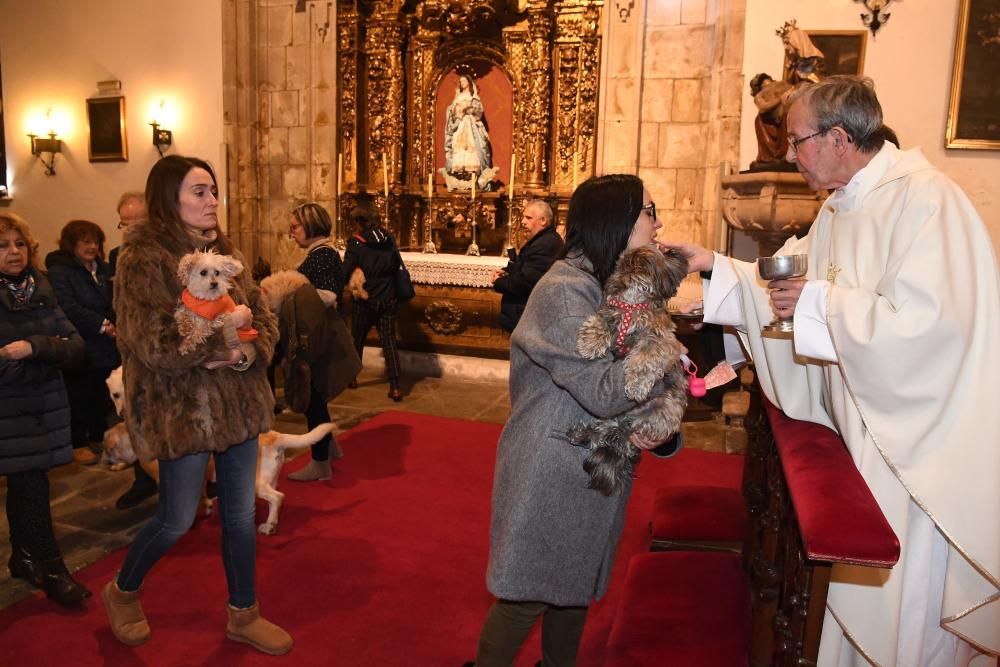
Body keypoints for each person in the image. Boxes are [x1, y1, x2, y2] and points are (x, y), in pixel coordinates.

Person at [666, 76, 999, 666]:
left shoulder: (927, 202)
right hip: (860, 441)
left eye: (797, 142)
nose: (789, 156)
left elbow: (934, 331)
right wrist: (716, 264)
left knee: (902, 624)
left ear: (840, 137)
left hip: (911, 454)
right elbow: (787, 283)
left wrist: (821, 304)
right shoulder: (843, 207)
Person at [469, 175, 677, 666]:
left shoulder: (607, 285)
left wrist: (662, 418)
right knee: (526, 595)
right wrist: (663, 352)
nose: (658, 221)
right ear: (617, 220)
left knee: (572, 587)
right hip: (553, 464)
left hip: (588, 462)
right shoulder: (565, 291)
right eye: (649, 211)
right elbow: (605, 391)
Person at [103, 155, 291, 655]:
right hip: (179, 410)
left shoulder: (225, 251)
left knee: (239, 516)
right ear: (170, 198)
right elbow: (154, 343)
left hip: (238, 404)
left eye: (213, 191)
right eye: (199, 192)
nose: (212, 201)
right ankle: (122, 591)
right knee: (177, 518)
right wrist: (216, 342)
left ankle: (243, 615)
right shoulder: (141, 258)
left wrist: (242, 352)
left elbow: (263, 322)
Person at [0, 212, 90, 606]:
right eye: (3, 245)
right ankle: (52, 568)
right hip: (9, 413)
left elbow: (75, 347)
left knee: (26, 485)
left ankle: (22, 557)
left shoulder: (40, 288)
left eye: (19, 244)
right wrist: (41, 360)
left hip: (43, 408)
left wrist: (34, 348)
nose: (13, 252)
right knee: (31, 488)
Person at [283, 202, 360, 481]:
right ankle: (331, 446)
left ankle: (319, 464)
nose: (292, 233)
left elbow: (327, 295)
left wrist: (288, 290)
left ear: (311, 225)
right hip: (320, 331)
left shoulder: (322, 255)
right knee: (318, 396)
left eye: (295, 226)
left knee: (313, 397)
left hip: (317, 334)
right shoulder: (322, 253)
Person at [44, 220, 119, 467]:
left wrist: (113, 321)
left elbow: (115, 299)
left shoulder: (105, 268)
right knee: (79, 395)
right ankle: (79, 442)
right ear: (72, 244)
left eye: (95, 241)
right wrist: (101, 323)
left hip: (108, 342)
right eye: (85, 241)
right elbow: (67, 305)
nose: (92, 246)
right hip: (82, 341)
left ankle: (98, 437)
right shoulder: (61, 271)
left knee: (101, 393)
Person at [108, 191, 158, 509]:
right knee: (135, 418)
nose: (130, 229)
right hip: (131, 350)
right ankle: (143, 479)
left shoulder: (162, 253)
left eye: (136, 222)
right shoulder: (117, 254)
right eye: (124, 224)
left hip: (159, 350)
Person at [342, 195, 404, 402]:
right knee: (389, 342)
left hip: (366, 299)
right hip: (387, 297)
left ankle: (351, 377)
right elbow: (397, 265)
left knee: (357, 338)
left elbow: (345, 271)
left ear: (360, 222)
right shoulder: (389, 238)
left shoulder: (357, 243)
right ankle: (395, 386)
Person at [491, 199, 563, 332]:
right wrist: (506, 271)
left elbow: (525, 282)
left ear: (543, 220)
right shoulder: (542, 240)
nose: (523, 221)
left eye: (528, 218)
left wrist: (499, 282)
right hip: (523, 314)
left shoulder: (546, 244)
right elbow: (525, 267)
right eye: (523, 217)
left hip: (528, 316)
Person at [444, 74, 493, 186]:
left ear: (469, 83)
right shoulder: (458, 97)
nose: (462, 83)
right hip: (460, 124)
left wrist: (471, 109)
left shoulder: (473, 96)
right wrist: (457, 110)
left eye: (464, 81)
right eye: (461, 82)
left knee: (474, 147)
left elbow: (479, 111)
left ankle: (473, 175)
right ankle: (461, 174)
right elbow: (452, 112)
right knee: (459, 147)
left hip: (471, 124)